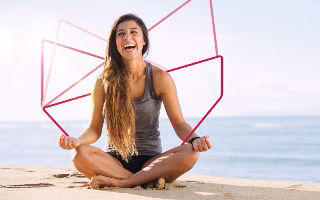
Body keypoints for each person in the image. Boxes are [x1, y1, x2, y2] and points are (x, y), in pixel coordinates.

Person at [59, 13, 212, 189]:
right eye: (121, 34)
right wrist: (77, 141)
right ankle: (143, 180)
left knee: (190, 153)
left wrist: (195, 139)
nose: (127, 37)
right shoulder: (104, 80)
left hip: (151, 161)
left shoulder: (160, 78)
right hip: (113, 162)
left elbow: (179, 124)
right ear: (115, 43)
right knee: (78, 154)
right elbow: (94, 128)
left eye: (134, 32)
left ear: (144, 40)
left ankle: (121, 182)